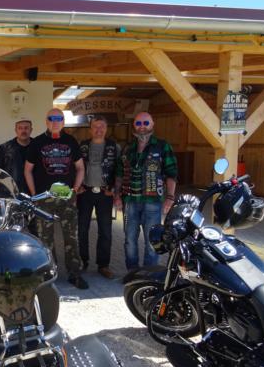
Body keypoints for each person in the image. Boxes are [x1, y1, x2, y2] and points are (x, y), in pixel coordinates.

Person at [24, 108, 87, 289]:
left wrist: (75, 189)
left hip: (67, 199)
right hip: (44, 199)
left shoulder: (71, 141)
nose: (55, 121)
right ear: (46, 121)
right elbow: (27, 170)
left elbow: (80, 168)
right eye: (51, 118)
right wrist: (34, 195)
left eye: (59, 118)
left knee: (71, 237)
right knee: (45, 239)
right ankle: (49, 275)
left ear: (63, 121)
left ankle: (75, 274)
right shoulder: (37, 143)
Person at [114, 112, 178, 275]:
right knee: (130, 240)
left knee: (152, 239)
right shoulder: (127, 148)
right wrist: (117, 196)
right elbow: (119, 174)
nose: (142, 126)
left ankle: (149, 274)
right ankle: (132, 272)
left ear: (152, 124)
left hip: (153, 202)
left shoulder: (162, 146)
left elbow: (171, 173)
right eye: (138, 123)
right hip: (130, 201)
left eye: (145, 123)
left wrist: (170, 197)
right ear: (134, 125)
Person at [77, 115, 120, 280]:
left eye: (102, 126)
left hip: (105, 193)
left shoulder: (114, 147)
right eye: (95, 126)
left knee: (105, 231)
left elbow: (120, 170)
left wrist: (114, 190)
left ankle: (103, 265)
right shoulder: (82, 146)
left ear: (106, 128)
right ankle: (82, 261)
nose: (99, 129)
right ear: (90, 129)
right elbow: (75, 167)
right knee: (82, 229)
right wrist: (77, 186)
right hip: (85, 192)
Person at [0, 118, 32, 193]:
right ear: (16, 130)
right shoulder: (4, 148)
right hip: (11, 192)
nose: (23, 131)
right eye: (20, 128)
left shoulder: (37, 146)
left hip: (33, 191)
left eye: (26, 128)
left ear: (31, 130)